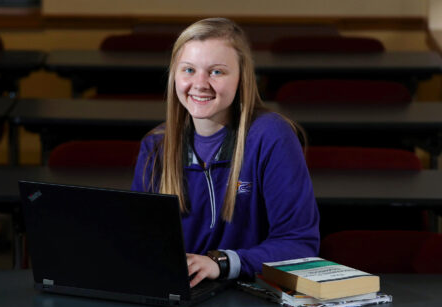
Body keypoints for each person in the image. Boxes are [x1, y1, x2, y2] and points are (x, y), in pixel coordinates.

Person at [131, 17, 320, 288]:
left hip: (252, 299)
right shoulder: (156, 146)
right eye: (188, 70)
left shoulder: (271, 136)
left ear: (242, 77)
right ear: (174, 74)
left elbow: (299, 243)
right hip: (181, 299)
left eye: (216, 72)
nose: (200, 83)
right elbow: (141, 241)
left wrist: (222, 263)